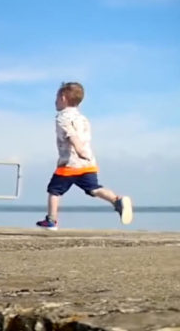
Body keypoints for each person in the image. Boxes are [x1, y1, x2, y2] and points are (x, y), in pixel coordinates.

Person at [36, 82, 132, 231]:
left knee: (54, 191)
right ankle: (117, 201)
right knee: (94, 188)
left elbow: (72, 135)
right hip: (88, 163)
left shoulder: (62, 117)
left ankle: (51, 220)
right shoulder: (83, 119)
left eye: (56, 97)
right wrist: (83, 153)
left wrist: (79, 150)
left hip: (70, 164)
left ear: (63, 98)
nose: (55, 101)